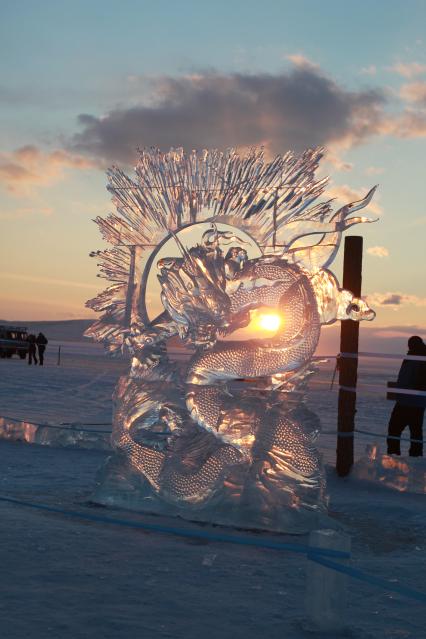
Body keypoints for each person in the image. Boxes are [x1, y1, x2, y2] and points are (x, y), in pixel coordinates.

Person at [387, 336, 426, 457]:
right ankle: (414, 457)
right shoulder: (413, 356)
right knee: (414, 432)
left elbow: (418, 381)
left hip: (409, 401)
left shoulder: (419, 358)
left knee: (395, 430)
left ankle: (395, 456)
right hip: (412, 401)